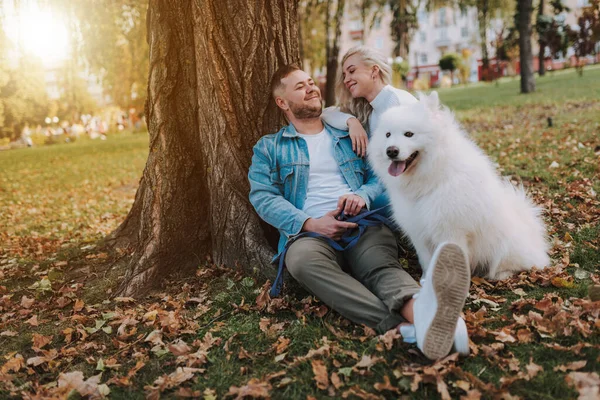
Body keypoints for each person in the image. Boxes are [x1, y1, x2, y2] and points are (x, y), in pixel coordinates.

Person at [248, 64, 471, 360]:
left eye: (312, 82)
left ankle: (428, 317)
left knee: (381, 268)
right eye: (300, 86)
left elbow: (380, 175)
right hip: (310, 234)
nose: (312, 88)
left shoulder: (348, 135)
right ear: (282, 102)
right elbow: (263, 196)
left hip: (362, 223)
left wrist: (361, 197)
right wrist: (311, 223)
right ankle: (404, 326)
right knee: (300, 261)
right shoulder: (270, 147)